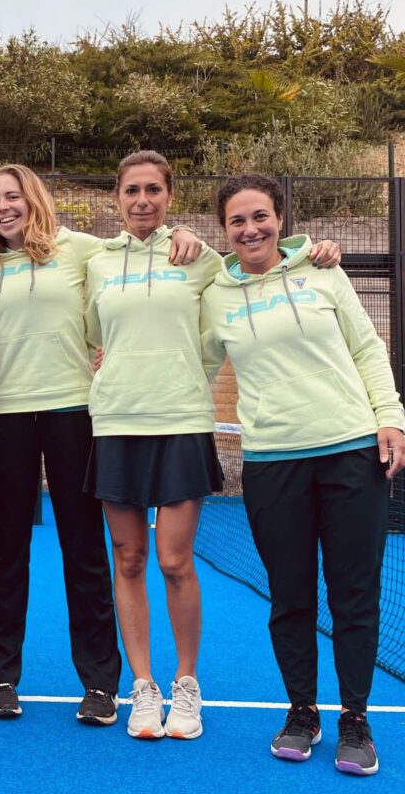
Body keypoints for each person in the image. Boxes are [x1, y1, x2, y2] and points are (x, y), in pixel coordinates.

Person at [85, 152, 341, 740]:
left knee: (175, 561)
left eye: (153, 190)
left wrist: (318, 251)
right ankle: (142, 687)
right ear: (117, 197)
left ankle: (186, 685)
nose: (142, 200)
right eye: (131, 190)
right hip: (116, 422)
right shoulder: (96, 263)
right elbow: (93, 333)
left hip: (181, 421)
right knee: (128, 559)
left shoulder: (200, 259)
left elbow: (261, 266)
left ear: (169, 196)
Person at [0, 163, 203, 725]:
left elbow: (140, 245)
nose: (5, 207)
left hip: (74, 413)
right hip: (3, 417)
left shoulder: (82, 251)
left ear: (33, 199)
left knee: (85, 549)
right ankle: (0, 678)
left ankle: (100, 682)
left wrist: (183, 233)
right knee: (5, 551)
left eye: (14, 196)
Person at [200, 173, 405, 775]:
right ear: (224, 230)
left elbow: (367, 348)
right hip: (272, 463)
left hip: (351, 454)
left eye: (260, 216)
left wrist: (390, 418)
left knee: (355, 594)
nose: (250, 229)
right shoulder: (215, 294)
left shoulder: (323, 270)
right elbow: (192, 363)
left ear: (280, 219)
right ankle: (301, 712)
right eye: (237, 221)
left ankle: (355, 719)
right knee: (289, 596)